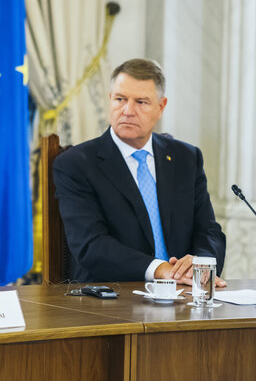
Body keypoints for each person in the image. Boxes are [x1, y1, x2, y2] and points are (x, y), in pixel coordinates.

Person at [53, 58, 226, 285]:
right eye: (120, 99)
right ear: (110, 100)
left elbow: (209, 230)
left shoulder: (186, 158)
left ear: (161, 107)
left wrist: (200, 266)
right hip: (111, 298)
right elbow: (91, 245)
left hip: (184, 294)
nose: (128, 111)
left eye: (141, 102)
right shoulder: (76, 164)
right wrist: (160, 269)